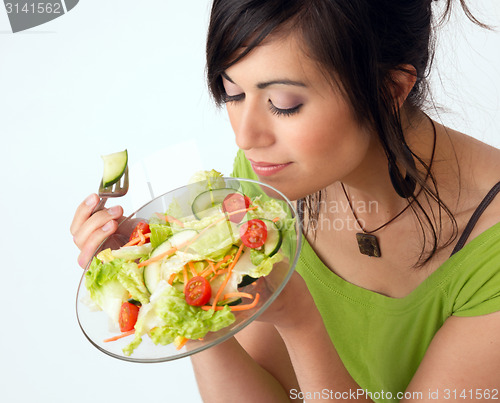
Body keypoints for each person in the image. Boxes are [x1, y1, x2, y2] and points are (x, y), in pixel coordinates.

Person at [71, 0, 500, 401]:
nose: (245, 136)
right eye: (233, 93)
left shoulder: (490, 248)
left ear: (390, 91)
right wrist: (175, 281)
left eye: (284, 103)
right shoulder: (273, 181)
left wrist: (301, 324)